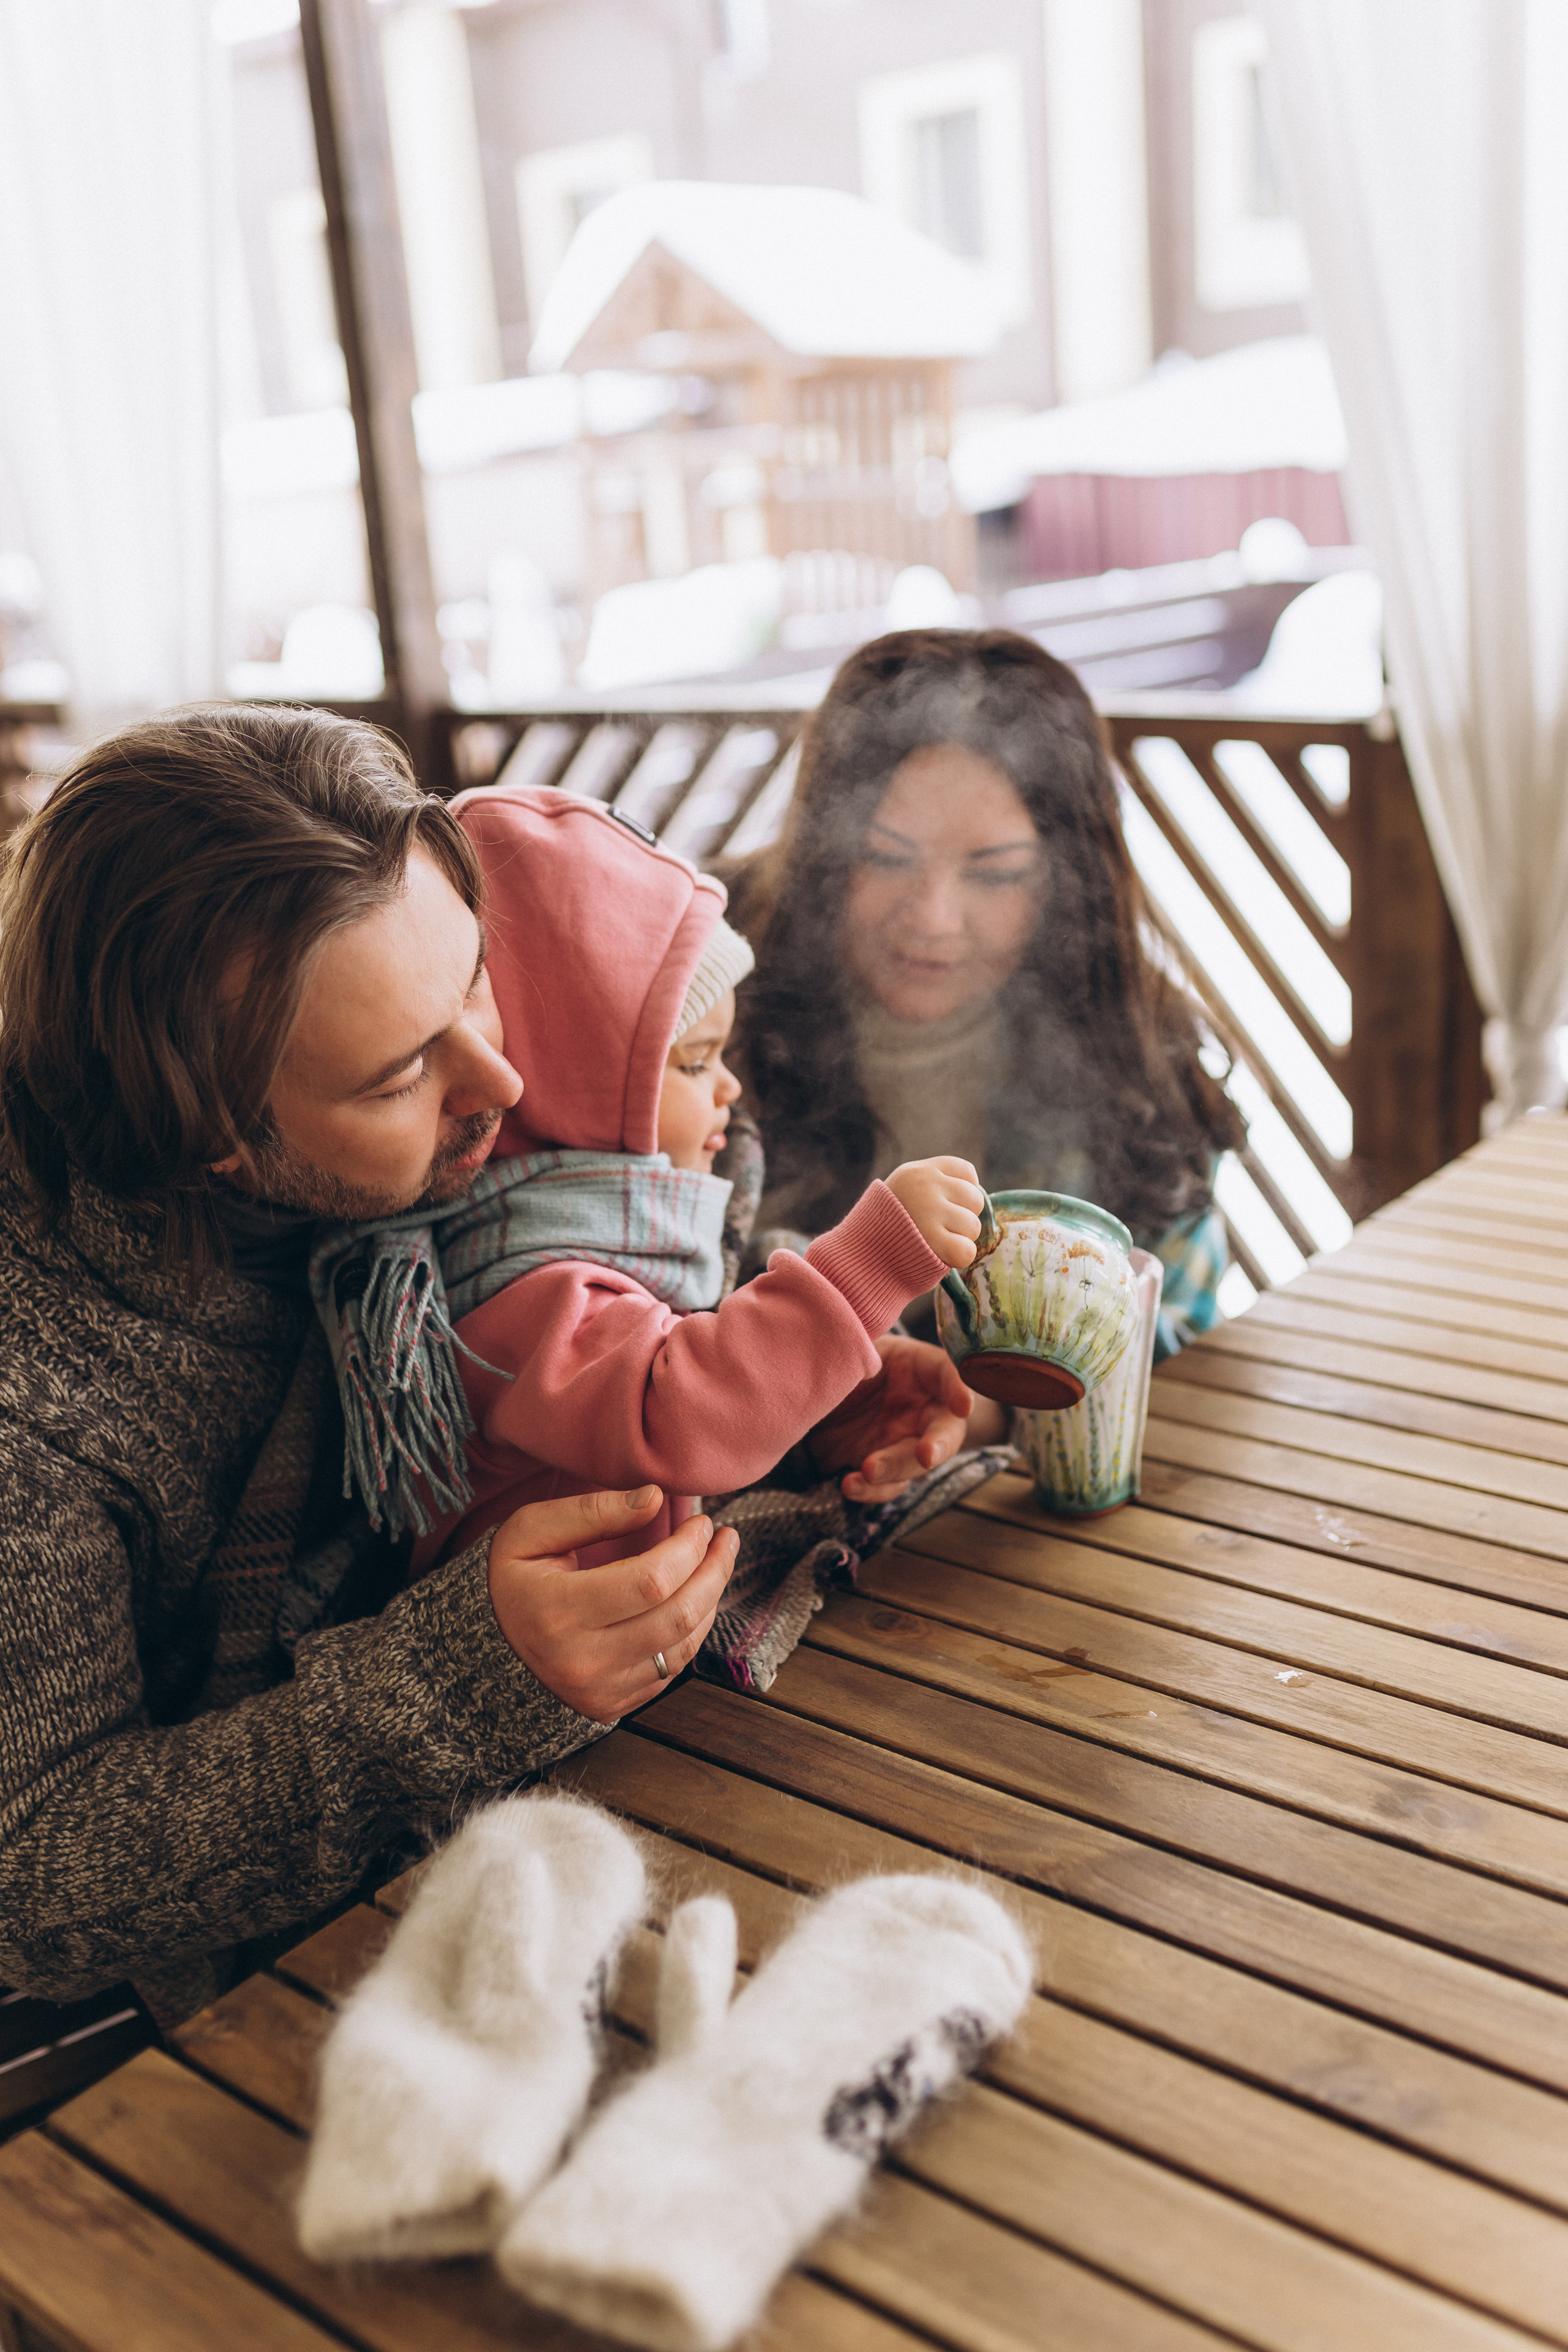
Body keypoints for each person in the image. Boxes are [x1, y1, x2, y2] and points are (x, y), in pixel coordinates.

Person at [0, 705, 976, 2020]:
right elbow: (29, 1882)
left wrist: (821, 1386)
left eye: (470, 979)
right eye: (404, 1069)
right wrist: (461, 1683)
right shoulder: (39, 1389)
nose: (505, 1078)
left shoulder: (440, 1121)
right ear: (213, 1138)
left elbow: (614, 1260)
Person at [310, 785, 992, 1585]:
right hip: (564, 1684)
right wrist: (869, 1267)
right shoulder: (521, 1281)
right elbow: (685, 1412)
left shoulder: (617, 1229)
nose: (730, 1090)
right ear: (577, 1082)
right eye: (696, 1062)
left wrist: (825, 1410)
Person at [728, 630, 1245, 1358]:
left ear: (1067, 879)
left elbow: (1181, 1327)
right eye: (883, 857)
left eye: (996, 873)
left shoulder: (1132, 1038)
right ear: (823, 851)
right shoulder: (709, 994)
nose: (934, 918)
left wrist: (999, 1413)